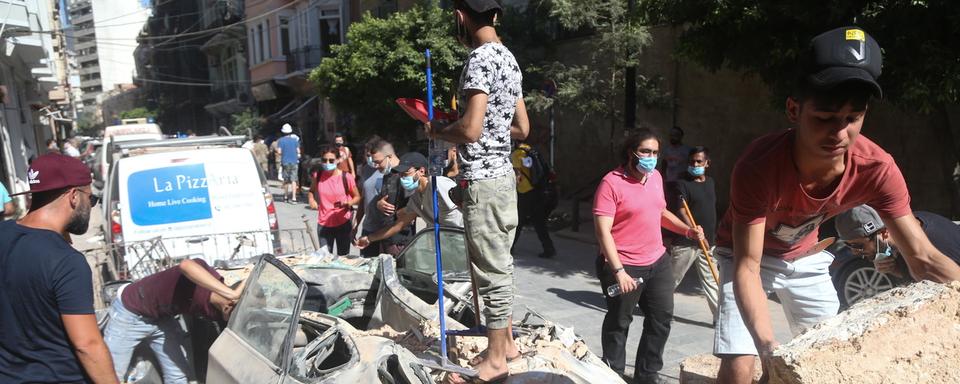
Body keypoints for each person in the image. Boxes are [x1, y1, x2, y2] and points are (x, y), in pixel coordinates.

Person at [714, 27, 960, 383]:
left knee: (827, 359)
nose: (839, 133)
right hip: (745, 255)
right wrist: (768, 348)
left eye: (852, 119)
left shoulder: (876, 168)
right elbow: (748, 267)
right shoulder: (758, 167)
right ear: (794, 109)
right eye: (824, 118)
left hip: (806, 254)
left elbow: (922, 257)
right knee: (741, 366)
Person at [425, 0, 528, 381]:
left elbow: (469, 130)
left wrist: (437, 129)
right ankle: (509, 344)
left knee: (491, 272)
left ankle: (496, 360)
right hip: (503, 177)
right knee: (500, 263)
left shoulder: (480, 59)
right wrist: (489, 132)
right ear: (496, 15)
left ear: (460, 15)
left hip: (483, 181)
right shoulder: (509, 59)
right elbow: (522, 128)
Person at [593, 131, 703, 384]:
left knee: (662, 318)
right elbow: (603, 232)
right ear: (631, 152)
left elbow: (661, 211)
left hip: (657, 260)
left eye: (655, 152)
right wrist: (619, 271)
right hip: (624, 264)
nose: (651, 158)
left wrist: (686, 230)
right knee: (619, 322)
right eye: (645, 151)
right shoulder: (611, 183)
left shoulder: (655, 177)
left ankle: (647, 375)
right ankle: (613, 374)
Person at [0, 153, 118, 383]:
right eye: (91, 200)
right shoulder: (66, 261)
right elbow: (87, 345)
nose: (90, 207)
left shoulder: (3, 234)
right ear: (74, 196)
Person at [103, 259, 241, 383]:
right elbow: (185, 265)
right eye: (232, 316)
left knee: (178, 375)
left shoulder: (214, 312)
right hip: (130, 312)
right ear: (227, 307)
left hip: (162, 317)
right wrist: (232, 294)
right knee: (109, 374)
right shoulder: (205, 273)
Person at [356, 152, 462, 250]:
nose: (402, 178)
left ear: (421, 171)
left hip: (462, 242)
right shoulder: (416, 199)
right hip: (445, 247)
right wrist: (369, 238)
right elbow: (398, 225)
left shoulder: (439, 185)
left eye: (406, 173)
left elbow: (466, 207)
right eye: (401, 175)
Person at [835, 205, 960, 280]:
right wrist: (895, 269)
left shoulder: (933, 244)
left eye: (858, 245)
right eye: (848, 245)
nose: (854, 251)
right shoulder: (909, 225)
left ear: (884, 233)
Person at [667, 146, 720, 318]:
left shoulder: (710, 182)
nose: (695, 164)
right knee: (671, 280)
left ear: (707, 163)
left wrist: (709, 237)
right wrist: (695, 231)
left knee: (712, 280)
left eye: (699, 161)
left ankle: (719, 318)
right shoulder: (682, 183)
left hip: (708, 243)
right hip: (686, 242)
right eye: (691, 161)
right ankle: (658, 309)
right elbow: (682, 211)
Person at [308, 145, 361, 256]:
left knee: (343, 258)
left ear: (337, 160)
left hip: (343, 223)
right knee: (325, 259)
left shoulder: (346, 177)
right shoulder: (317, 176)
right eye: (324, 160)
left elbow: (357, 197)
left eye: (331, 160)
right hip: (324, 224)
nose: (327, 163)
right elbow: (311, 191)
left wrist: (348, 203)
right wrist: (312, 200)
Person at [510, 142, 556, 258]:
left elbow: (517, 175)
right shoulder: (532, 150)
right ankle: (549, 248)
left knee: (518, 221)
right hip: (537, 190)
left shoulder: (517, 154)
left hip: (524, 191)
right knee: (539, 221)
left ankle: (509, 248)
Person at [354, 140, 393, 257]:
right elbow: (363, 198)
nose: (371, 159)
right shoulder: (366, 170)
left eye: (372, 155)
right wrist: (355, 225)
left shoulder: (390, 169)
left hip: (387, 230)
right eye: (367, 155)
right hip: (369, 228)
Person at [277, 123, 302, 203]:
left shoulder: (280, 140)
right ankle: (294, 198)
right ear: (290, 132)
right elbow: (298, 151)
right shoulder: (295, 140)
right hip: (294, 162)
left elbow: (279, 152)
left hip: (285, 161)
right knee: (294, 180)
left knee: (286, 180)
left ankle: (286, 196)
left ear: (283, 132)